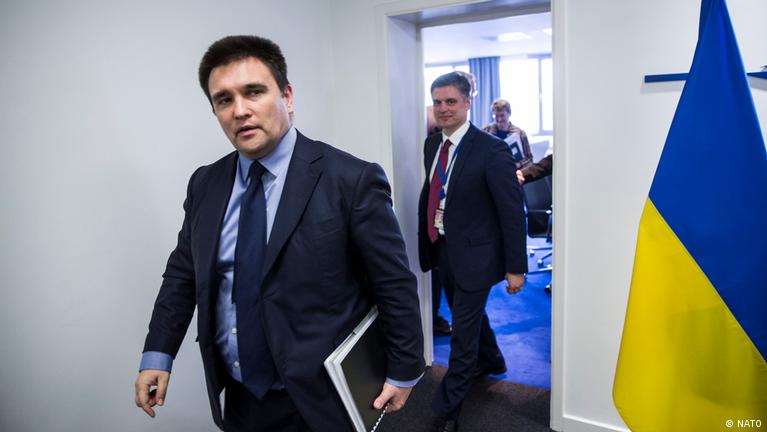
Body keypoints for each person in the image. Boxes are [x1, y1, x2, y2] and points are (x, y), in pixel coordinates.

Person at [133, 35, 425, 432]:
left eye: (254, 92)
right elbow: (183, 274)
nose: (240, 110)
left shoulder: (350, 179)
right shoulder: (205, 184)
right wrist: (158, 354)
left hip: (322, 397)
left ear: (286, 96)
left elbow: (392, 281)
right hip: (239, 396)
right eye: (224, 100)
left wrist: (404, 368)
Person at [418, 72, 527, 432]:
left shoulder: (491, 149)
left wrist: (515, 267)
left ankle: (447, 410)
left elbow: (511, 211)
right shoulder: (433, 145)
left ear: (467, 102)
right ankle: (492, 360)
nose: (443, 108)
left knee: (461, 336)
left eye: (451, 101)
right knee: (469, 315)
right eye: (438, 102)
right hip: (444, 248)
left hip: (477, 256)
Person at [482, 98, 533, 169]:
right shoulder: (485, 131)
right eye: (496, 116)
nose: (499, 119)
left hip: (514, 171)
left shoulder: (520, 133)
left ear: (509, 113)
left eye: (502, 115)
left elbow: (529, 159)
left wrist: (516, 165)